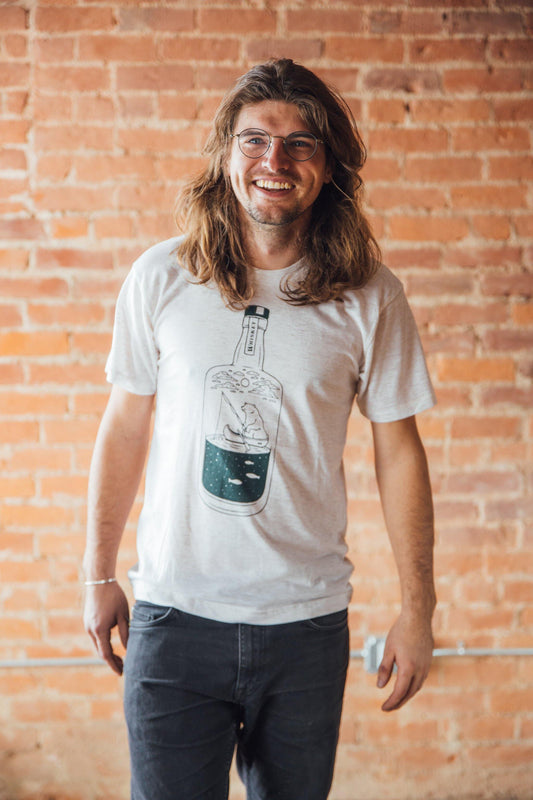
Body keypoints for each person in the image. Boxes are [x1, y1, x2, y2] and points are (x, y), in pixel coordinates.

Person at [83, 58, 437, 800]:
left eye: (299, 143)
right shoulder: (163, 278)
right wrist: (99, 574)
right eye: (253, 140)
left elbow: (398, 452)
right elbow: (122, 428)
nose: (273, 161)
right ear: (224, 155)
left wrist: (417, 611)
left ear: (329, 163)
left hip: (304, 625)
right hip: (174, 617)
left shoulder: (370, 296)